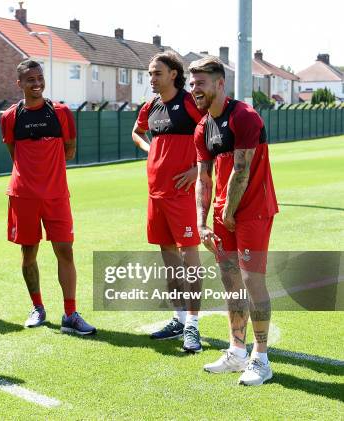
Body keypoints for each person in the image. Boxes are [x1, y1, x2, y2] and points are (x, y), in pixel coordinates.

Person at [190, 56, 278, 385]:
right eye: (192, 83)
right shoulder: (202, 127)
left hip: (252, 210)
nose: (194, 89)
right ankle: (237, 351)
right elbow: (204, 178)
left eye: (200, 83)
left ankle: (262, 359)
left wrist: (228, 211)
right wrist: (202, 221)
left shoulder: (244, 116)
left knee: (252, 281)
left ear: (219, 84)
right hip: (222, 213)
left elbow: (242, 170)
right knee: (231, 282)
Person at [0, 59, 96, 335]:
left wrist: (48, 174)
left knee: (65, 251)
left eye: (40, 77)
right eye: (30, 79)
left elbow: (70, 150)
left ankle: (70, 314)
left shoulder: (61, 112)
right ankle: (37, 307)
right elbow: (13, 153)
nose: (37, 83)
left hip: (56, 196)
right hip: (23, 197)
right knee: (28, 253)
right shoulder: (9, 117)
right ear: (19, 83)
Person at [131, 52, 205, 353]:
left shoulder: (188, 103)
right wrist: (150, 149)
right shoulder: (151, 106)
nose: (152, 78)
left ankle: (193, 326)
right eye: (150, 73)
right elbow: (137, 132)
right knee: (169, 260)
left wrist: (198, 169)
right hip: (156, 194)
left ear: (173, 74)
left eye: (157, 73)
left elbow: (213, 133)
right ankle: (178, 318)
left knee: (189, 259)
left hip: (181, 195)